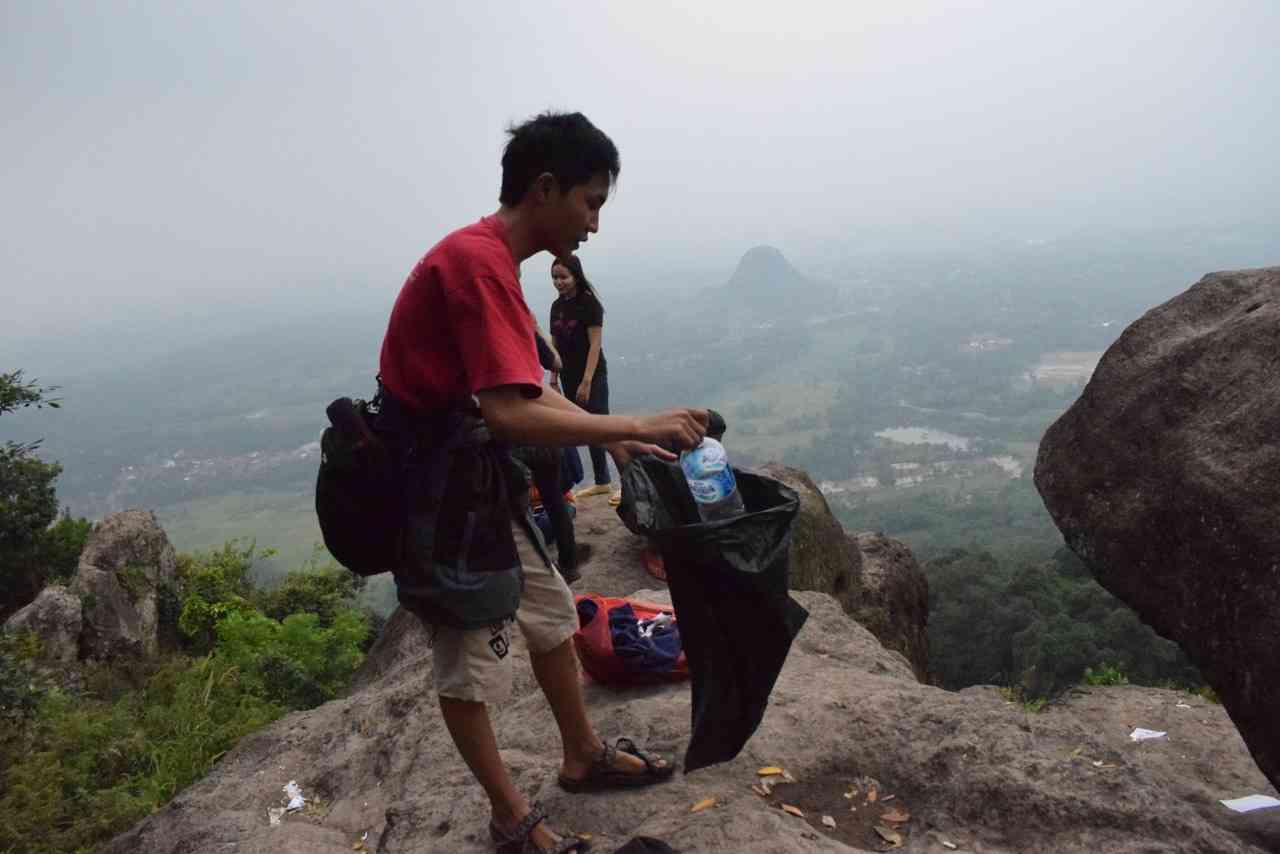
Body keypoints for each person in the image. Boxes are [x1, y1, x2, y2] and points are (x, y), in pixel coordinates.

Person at [376, 111, 708, 854]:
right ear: (546, 187)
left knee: (553, 612)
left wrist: (621, 438)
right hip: (439, 495)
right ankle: (509, 818)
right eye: (590, 202)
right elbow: (507, 412)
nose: (594, 223)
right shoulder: (476, 263)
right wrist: (632, 427)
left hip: (471, 481)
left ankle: (581, 755)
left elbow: (525, 390)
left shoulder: (491, 260)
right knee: (469, 661)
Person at [548, 255, 616, 502]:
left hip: (592, 374)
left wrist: (587, 381)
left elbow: (595, 345)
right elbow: (554, 344)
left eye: (563, 277)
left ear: (576, 276)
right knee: (585, 429)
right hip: (568, 374)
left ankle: (628, 481)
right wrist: (553, 377)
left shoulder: (589, 304)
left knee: (603, 428)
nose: (559, 282)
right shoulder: (557, 307)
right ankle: (602, 482)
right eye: (555, 277)